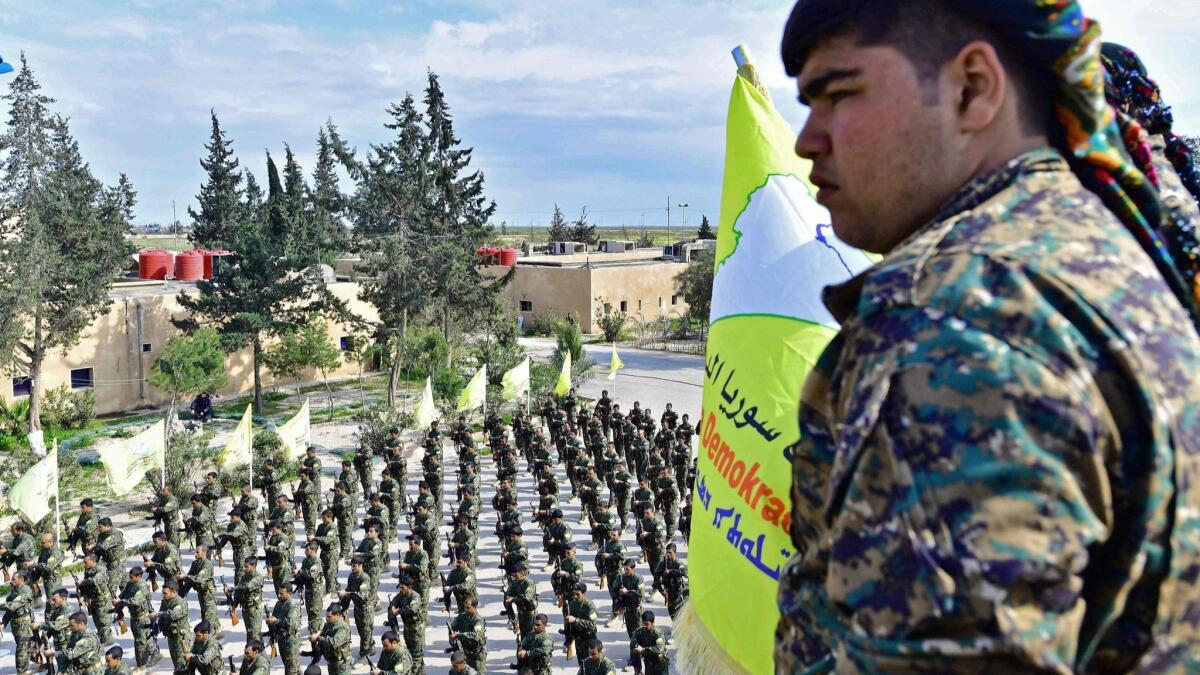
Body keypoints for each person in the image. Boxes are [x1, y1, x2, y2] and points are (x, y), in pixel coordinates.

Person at [774, 1, 1200, 672]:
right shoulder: (1100, 249)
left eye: (839, 93)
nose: (807, 137)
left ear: (972, 88)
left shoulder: (959, 314)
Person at [115, 566, 156, 668]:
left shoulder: (142, 586)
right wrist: (117, 600)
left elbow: (135, 601)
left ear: (139, 576)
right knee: (143, 637)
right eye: (129, 577)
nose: (130, 579)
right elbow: (123, 595)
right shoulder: (130, 584)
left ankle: (141, 664)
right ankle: (153, 652)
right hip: (134, 616)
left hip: (143, 616)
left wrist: (121, 602)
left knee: (140, 641)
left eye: (132, 577)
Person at [0, 571, 34, 672]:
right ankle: (24, 669)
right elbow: (9, 610)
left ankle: (22, 671)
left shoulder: (26, 591)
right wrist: (4, 623)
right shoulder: (14, 591)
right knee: (22, 648)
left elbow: (12, 605)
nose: (11, 581)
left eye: (14, 579)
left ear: (22, 579)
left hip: (24, 624)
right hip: (15, 625)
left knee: (22, 650)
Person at [152, 581, 190, 671]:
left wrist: (158, 614)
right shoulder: (165, 601)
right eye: (162, 593)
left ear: (174, 592)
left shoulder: (181, 603)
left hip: (181, 639)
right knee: (176, 665)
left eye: (165, 593)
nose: (163, 595)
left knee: (182, 665)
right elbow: (163, 618)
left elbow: (173, 614)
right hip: (171, 637)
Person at [268, 582, 303, 675]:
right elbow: (274, 617)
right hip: (281, 639)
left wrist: (276, 621)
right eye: (279, 593)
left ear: (289, 593)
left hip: (291, 641)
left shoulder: (293, 605)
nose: (279, 595)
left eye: (282, 593)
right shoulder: (279, 604)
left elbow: (291, 623)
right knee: (291, 665)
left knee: (291, 668)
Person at [449, 595, 487, 673]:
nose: (465, 609)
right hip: (466, 653)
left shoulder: (479, 620)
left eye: (468, 607)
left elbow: (475, 635)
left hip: (477, 655)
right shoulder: (462, 617)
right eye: (465, 607)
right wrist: (452, 635)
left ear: (474, 607)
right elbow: (452, 626)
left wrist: (459, 635)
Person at [310, 605, 352, 675]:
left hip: (341, 666)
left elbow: (334, 642)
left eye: (329, 617)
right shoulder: (328, 625)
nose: (327, 618)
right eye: (326, 616)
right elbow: (322, 638)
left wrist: (318, 638)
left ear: (337, 615)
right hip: (331, 662)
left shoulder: (343, 627)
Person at [565, 582, 599, 667]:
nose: (575, 596)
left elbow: (592, 624)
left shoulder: (590, 606)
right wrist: (569, 637)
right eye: (574, 594)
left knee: (592, 664)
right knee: (582, 664)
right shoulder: (572, 604)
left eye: (578, 594)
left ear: (584, 594)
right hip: (578, 640)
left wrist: (575, 620)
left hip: (589, 640)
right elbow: (569, 623)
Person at [629, 611, 667, 675]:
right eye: (643, 623)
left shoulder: (658, 633)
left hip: (660, 664)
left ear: (653, 623)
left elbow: (659, 648)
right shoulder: (639, 632)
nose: (644, 626)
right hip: (648, 663)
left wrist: (643, 650)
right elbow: (632, 645)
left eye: (646, 624)